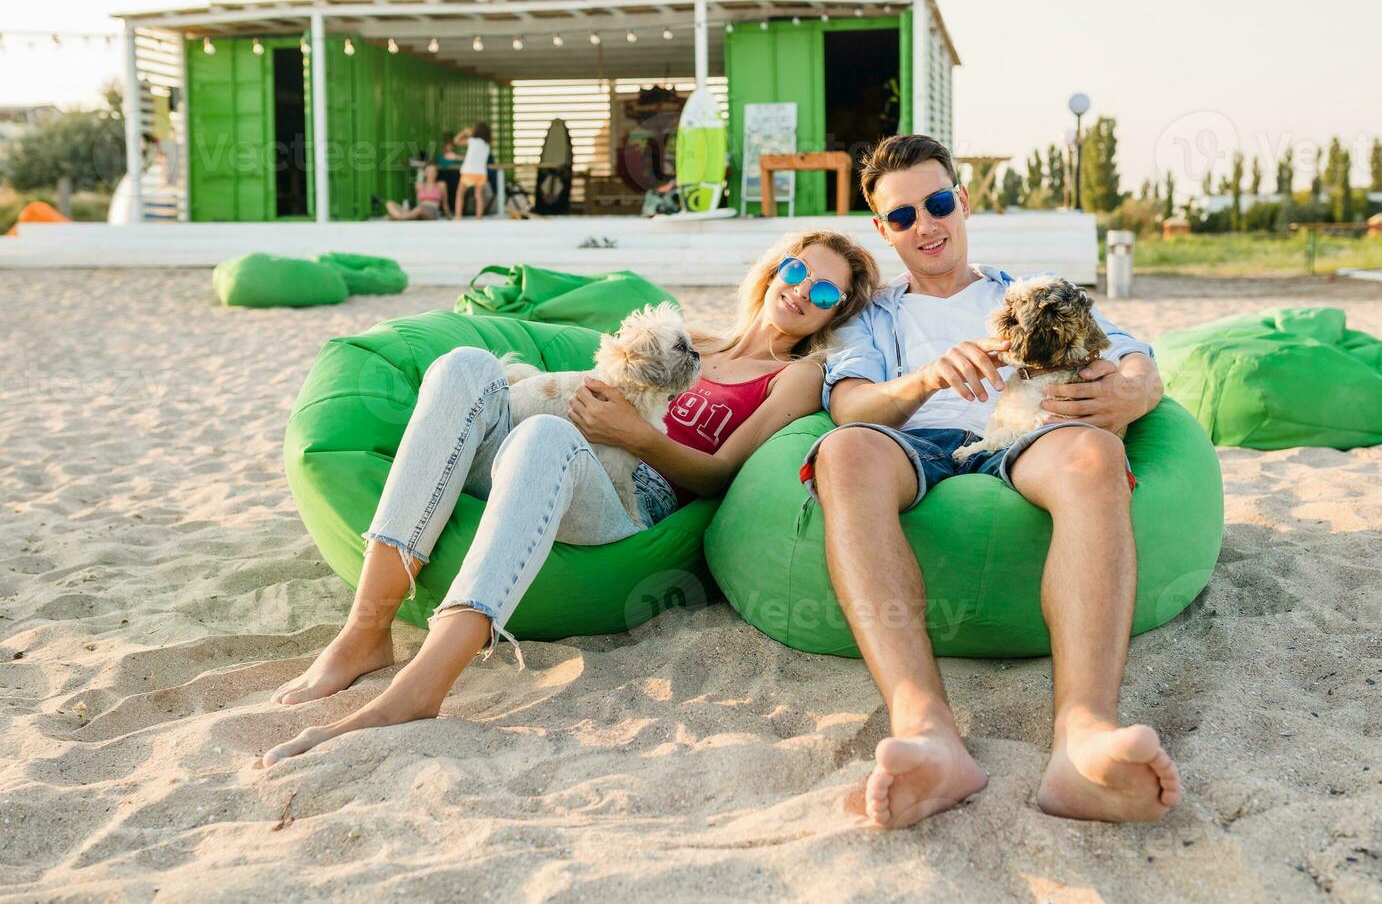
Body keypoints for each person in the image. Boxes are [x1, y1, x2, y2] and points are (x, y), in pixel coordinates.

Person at [263, 231, 881, 765]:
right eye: (798, 271)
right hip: (558, 449)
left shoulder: (799, 375)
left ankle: (426, 680)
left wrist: (633, 435)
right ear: (776, 269)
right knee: (462, 364)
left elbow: (722, 475)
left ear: (833, 315)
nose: (802, 291)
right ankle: (365, 629)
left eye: (825, 293)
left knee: (545, 436)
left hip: (629, 498)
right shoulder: (688, 335)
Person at [805, 134, 1182, 829]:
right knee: (843, 454)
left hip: (1024, 432)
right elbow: (849, 407)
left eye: (938, 202)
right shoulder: (873, 315)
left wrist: (1134, 392)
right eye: (903, 216)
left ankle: (1083, 737)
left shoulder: (1024, 292)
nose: (927, 224)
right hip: (915, 439)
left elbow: (1136, 358)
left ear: (965, 201)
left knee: (1096, 455)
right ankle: (927, 731)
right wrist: (924, 378)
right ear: (883, 230)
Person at [454, 122, 493, 219]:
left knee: (460, 193)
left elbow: (456, 141)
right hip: (481, 173)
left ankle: (458, 217)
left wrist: (464, 132)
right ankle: (478, 218)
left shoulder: (472, 141)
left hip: (468, 172)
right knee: (478, 196)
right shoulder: (487, 145)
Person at [435, 131, 462, 197]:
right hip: (444, 178)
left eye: (450, 145)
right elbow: (439, 166)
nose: (448, 147)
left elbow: (461, 166)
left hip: (454, 178)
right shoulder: (439, 156)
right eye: (446, 145)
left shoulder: (456, 157)